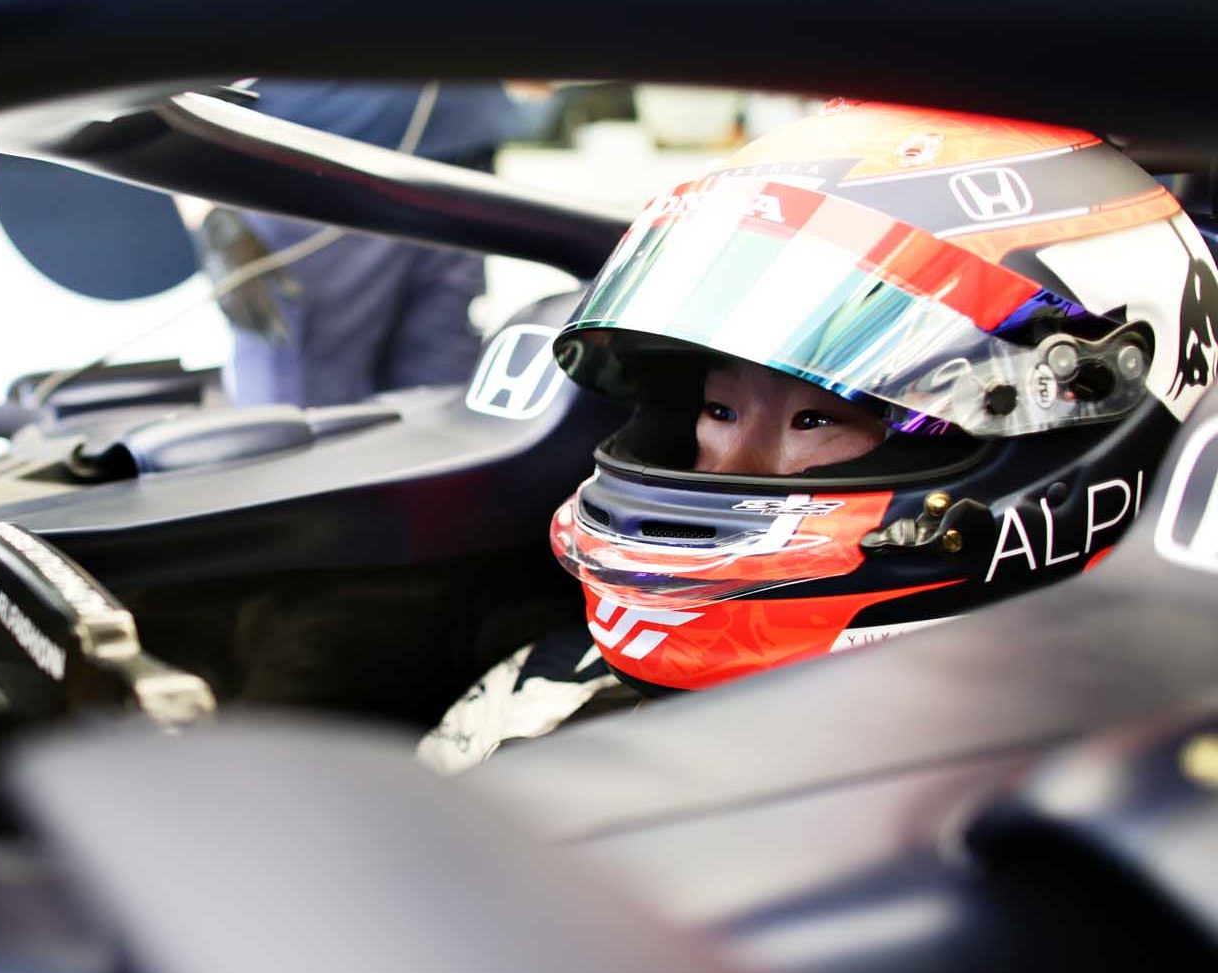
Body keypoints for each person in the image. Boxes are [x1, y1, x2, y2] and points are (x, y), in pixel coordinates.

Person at [419, 99, 1218, 773]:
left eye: (816, 419)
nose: (732, 465)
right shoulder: (549, 692)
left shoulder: (1117, 764)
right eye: (719, 410)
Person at [210, 81, 522, 406]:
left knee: (439, 407)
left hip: (459, 179)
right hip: (314, 189)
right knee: (308, 420)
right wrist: (213, 220)